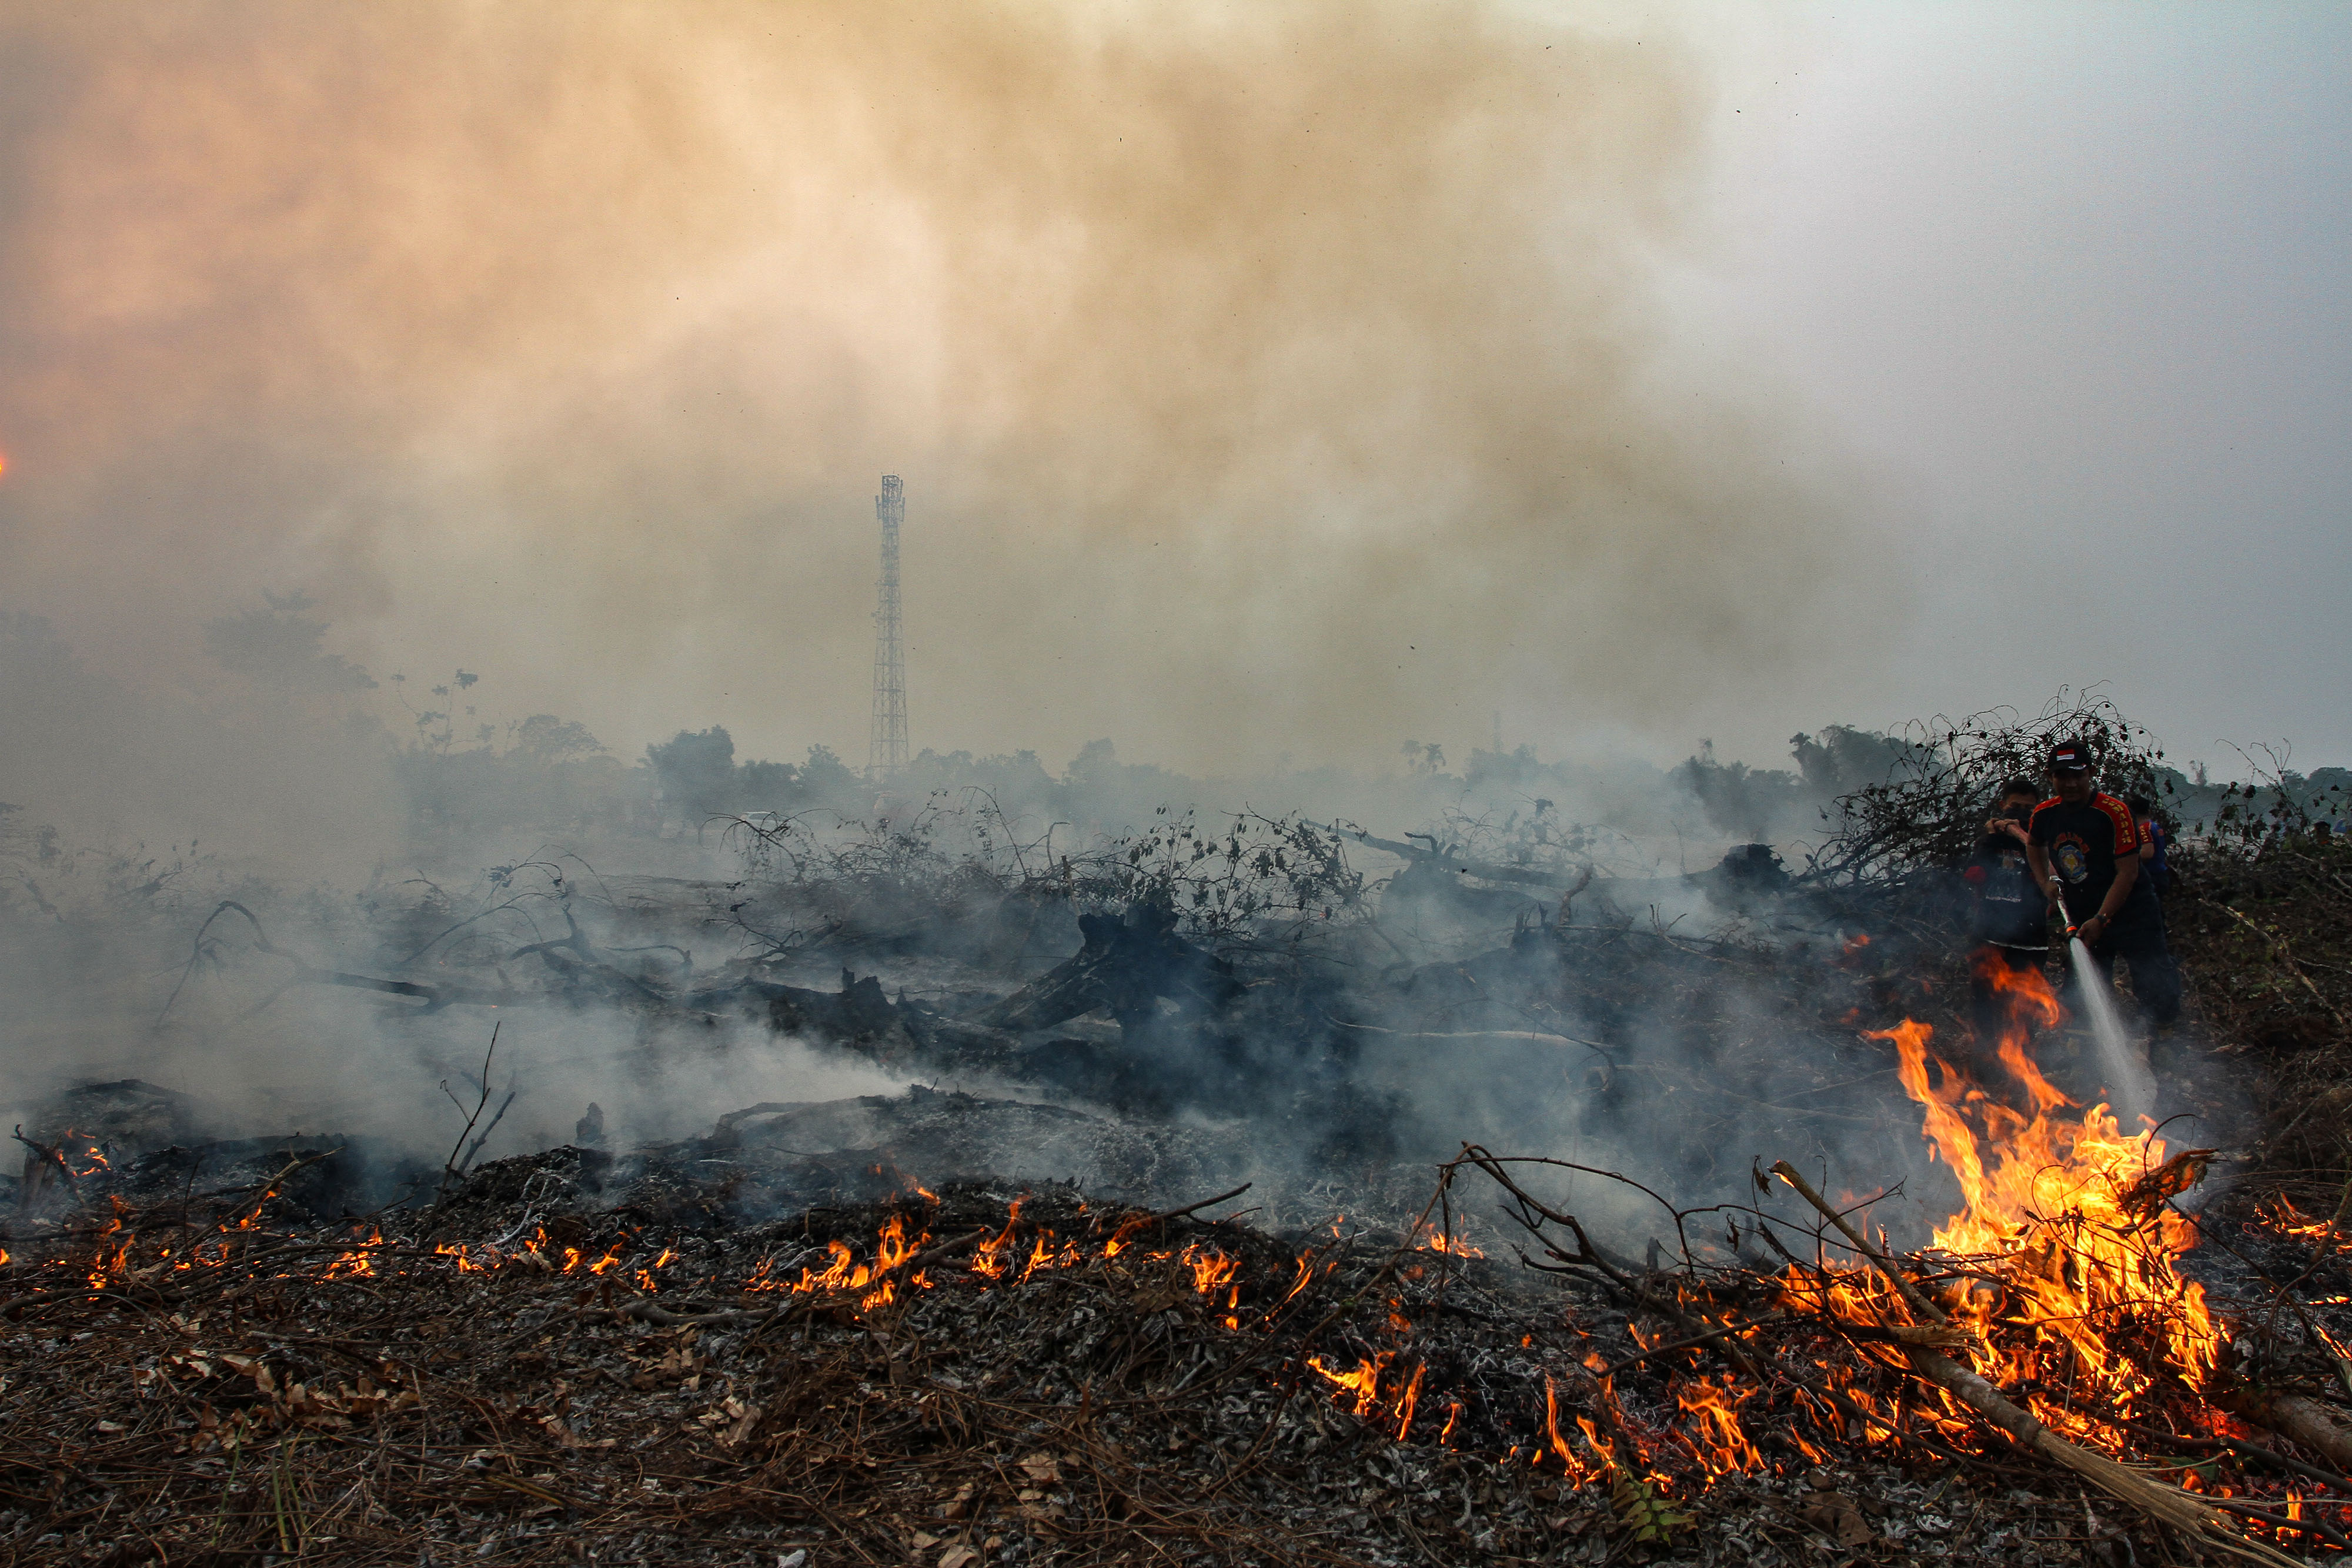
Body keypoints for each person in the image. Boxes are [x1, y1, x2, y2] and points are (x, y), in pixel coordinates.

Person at [2026, 740, 2181, 1031]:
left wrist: (2102, 919)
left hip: (2131, 910)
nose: (2071, 784)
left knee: (2155, 983)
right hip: (2083, 909)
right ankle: (2085, 1056)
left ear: (2090, 773)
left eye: (2078, 775)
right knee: (2081, 990)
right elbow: (2034, 847)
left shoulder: (2114, 812)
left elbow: (2128, 873)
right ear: (2050, 777)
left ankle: (2163, 1046)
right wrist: (2044, 881)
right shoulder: (2045, 814)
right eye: (2062, 776)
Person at [1960, 778, 2052, 1058]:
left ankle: (2023, 1058)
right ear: (2003, 806)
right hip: (1989, 935)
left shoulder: (2044, 843)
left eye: (2029, 808)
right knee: (1985, 999)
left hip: (2031, 938)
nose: (2023, 812)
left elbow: (2053, 881)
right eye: (2016, 806)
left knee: (2026, 1002)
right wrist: (1993, 836)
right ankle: (1986, 1054)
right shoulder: (1991, 840)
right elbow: (1973, 874)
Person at [2124, 793, 2171, 900]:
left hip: (2152, 876)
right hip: (2160, 873)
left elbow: (2147, 854)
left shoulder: (2143, 829)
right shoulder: (2155, 826)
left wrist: (2127, 861)